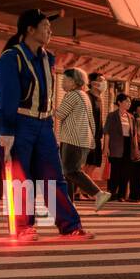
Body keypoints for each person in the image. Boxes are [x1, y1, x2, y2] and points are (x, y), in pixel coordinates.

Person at [0, 10, 93, 239]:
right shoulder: (12, 57)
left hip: (43, 125)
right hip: (17, 123)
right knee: (21, 178)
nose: (50, 31)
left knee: (54, 177)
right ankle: (22, 227)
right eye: (45, 26)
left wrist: (48, 126)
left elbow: (47, 96)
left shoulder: (48, 58)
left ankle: (70, 225)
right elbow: (7, 96)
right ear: (30, 29)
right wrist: (6, 131)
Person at [56, 69, 110, 212]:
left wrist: (46, 107)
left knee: (71, 171)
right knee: (67, 172)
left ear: (74, 81)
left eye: (65, 80)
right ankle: (68, 202)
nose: (62, 82)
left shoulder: (72, 95)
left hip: (72, 139)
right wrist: (92, 140)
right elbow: (92, 120)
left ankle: (98, 193)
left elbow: (60, 114)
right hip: (83, 139)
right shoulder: (84, 96)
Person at [104, 92, 134, 201]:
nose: (129, 103)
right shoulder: (112, 115)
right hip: (116, 145)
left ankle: (121, 195)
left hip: (128, 146)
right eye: (126, 101)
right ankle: (111, 193)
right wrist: (106, 147)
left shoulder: (130, 117)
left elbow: (133, 134)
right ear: (119, 102)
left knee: (125, 171)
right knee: (115, 171)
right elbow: (107, 132)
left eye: (129, 102)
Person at [83, 73, 106, 188]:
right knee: (86, 164)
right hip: (88, 136)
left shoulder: (99, 99)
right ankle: (80, 190)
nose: (103, 83)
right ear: (92, 83)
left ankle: (85, 188)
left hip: (97, 137)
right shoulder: (86, 97)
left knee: (93, 163)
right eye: (100, 80)